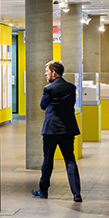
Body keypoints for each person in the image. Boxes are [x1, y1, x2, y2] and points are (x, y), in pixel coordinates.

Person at [33, 60, 82, 202]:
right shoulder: (71, 87)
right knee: (70, 160)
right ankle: (76, 193)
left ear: (54, 73)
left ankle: (43, 191)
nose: (45, 74)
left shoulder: (48, 89)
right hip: (68, 129)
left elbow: (43, 105)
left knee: (48, 160)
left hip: (51, 129)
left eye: (47, 71)